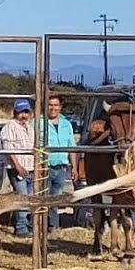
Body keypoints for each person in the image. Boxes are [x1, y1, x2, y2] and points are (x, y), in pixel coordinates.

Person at [0, 98, 36, 236]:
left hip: (31, 168)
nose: (24, 115)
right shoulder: (9, 127)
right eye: (21, 112)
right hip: (17, 170)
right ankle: (21, 229)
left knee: (30, 199)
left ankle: (26, 225)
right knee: (22, 198)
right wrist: (18, 166)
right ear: (15, 113)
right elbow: (8, 150)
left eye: (26, 112)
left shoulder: (30, 128)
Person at [42, 95, 79, 230]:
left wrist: (74, 167)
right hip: (44, 167)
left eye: (56, 105)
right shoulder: (39, 122)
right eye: (50, 105)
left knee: (56, 198)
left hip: (62, 167)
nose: (53, 108)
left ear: (60, 107)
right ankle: (41, 225)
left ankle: (53, 226)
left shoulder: (66, 124)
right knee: (43, 198)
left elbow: (71, 147)